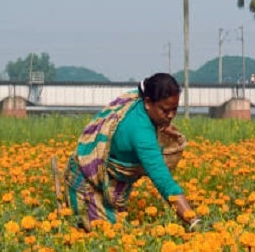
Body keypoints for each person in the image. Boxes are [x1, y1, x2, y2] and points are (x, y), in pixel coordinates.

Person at [63, 73, 198, 231]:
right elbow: (164, 182)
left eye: (175, 109)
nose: (171, 116)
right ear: (148, 102)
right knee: (109, 238)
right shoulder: (141, 132)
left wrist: (161, 124)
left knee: (119, 232)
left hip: (107, 185)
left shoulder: (139, 101)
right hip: (85, 184)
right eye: (165, 110)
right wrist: (194, 221)